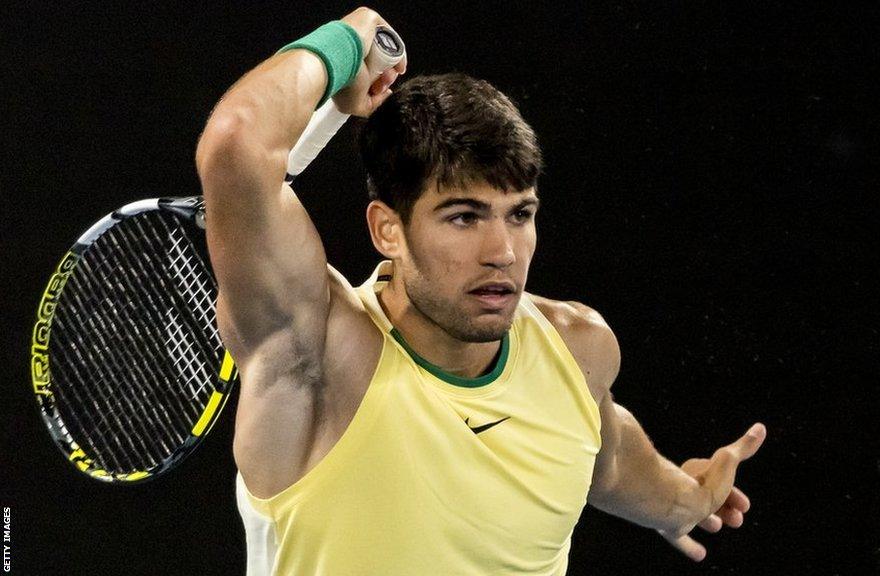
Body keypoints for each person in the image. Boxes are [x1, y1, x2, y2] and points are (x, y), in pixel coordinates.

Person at [196, 7, 766, 575]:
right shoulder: (316, 358)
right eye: (464, 217)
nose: (505, 253)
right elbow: (236, 144)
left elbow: (608, 463)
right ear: (387, 228)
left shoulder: (577, 350)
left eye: (519, 215)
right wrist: (346, 41)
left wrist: (684, 502)